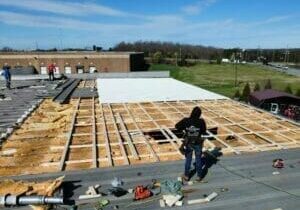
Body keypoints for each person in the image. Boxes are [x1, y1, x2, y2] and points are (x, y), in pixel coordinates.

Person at [175, 106, 207, 182]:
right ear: (199, 114)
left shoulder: (186, 120)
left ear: (192, 112)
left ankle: (186, 176)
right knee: (198, 159)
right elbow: (203, 131)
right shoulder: (201, 121)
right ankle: (199, 176)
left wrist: (184, 130)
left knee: (188, 160)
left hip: (188, 143)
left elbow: (177, 126)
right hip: (198, 143)